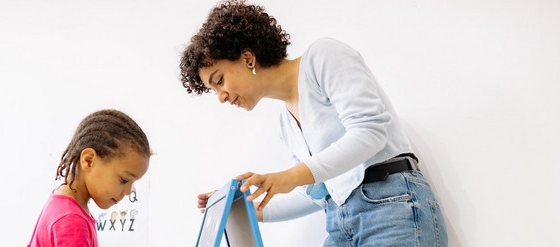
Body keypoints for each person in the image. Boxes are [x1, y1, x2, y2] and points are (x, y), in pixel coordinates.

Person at [179, 0, 447, 246]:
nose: (221, 98)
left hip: (391, 207)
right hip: (340, 222)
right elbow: (317, 192)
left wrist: (288, 177)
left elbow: (370, 131)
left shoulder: (323, 56)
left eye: (219, 81)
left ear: (248, 58)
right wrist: (242, 208)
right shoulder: (286, 122)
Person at [28, 109, 151, 247]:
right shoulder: (72, 221)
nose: (128, 192)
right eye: (124, 180)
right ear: (89, 161)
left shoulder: (63, 204)